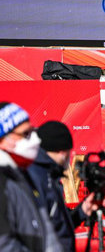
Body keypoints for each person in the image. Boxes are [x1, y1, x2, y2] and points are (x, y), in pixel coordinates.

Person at [0, 102, 62, 252]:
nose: (35, 140)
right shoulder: (3, 183)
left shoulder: (23, 175)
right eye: (25, 134)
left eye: (32, 131)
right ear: (3, 140)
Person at [28, 120, 96, 252]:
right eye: (70, 151)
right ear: (62, 152)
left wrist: (82, 211)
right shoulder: (36, 178)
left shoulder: (49, 175)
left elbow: (58, 225)